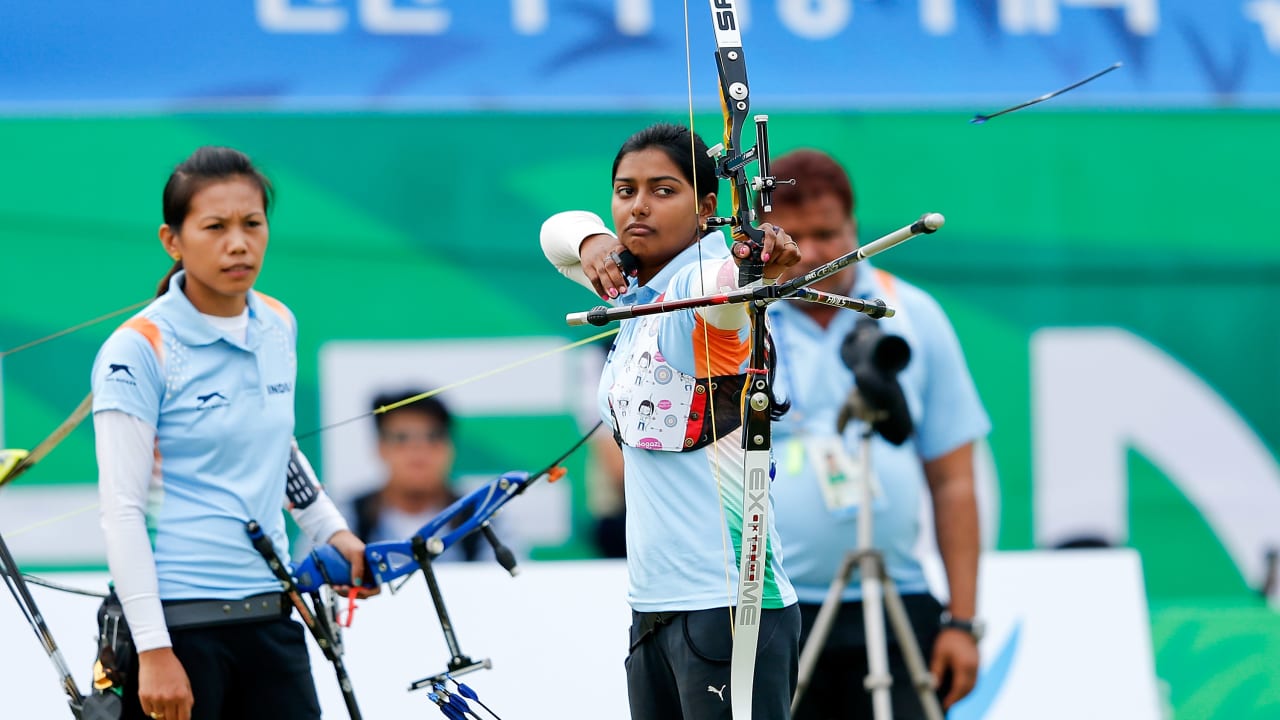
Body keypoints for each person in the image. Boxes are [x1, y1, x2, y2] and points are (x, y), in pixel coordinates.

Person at [92, 146, 368, 720]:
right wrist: (154, 650)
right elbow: (121, 511)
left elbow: (278, 447)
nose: (238, 243)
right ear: (173, 241)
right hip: (179, 630)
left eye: (252, 224)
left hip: (270, 616)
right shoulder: (138, 348)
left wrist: (331, 531)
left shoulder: (278, 322)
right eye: (214, 227)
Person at [540, 122, 803, 720]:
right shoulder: (639, 286)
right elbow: (556, 232)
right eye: (625, 190)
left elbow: (727, 298)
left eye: (663, 191)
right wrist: (593, 244)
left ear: (707, 206)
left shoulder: (697, 284)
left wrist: (752, 269)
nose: (638, 206)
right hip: (653, 609)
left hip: (731, 608)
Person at [763, 149, 990, 718]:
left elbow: (955, 481)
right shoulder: (738, 317)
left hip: (895, 600)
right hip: (768, 607)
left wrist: (962, 621)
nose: (812, 253)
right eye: (794, 237)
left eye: (827, 234)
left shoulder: (912, 312)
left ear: (855, 226)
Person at [347, 391, 492, 561]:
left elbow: (507, 583)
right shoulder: (345, 519)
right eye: (402, 438)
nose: (418, 449)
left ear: (450, 448)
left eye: (433, 436)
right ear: (380, 448)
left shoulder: (484, 516)